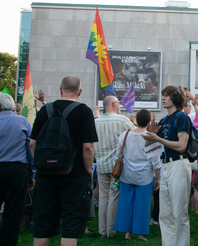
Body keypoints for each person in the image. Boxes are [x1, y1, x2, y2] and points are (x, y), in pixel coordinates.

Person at [30, 76, 98, 246]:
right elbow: (88, 147)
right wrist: (88, 170)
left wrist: (39, 165)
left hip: (45, 176)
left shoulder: (45, 110)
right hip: (74, 176)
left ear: (60, 89)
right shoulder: (84, 111)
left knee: (42, 226)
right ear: (80, 92)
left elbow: (32, 144)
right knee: (71, 226)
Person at [142, 85, 192, 246]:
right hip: (166, 166)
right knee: (164, 214)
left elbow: (181, 146)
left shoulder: (182, 117)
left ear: (176, 99)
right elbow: (149, 148)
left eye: (167, 95)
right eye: (163, 95)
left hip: (178, 164)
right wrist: (151, 135)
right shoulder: (163, 120)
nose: (163, 98)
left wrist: (158, 139)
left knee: (180, 213)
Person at [114, 109, 161, 241]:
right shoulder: (150, 137)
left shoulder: (125, 134)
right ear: (148, 122)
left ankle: (126, 233)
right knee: (143, 205)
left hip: (127, 174)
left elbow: (118, 154)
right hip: (144, 176)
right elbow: (155, 161)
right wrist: (158, 178)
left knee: (126, 204)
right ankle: (141, 234)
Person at [94, 95, 135, 238]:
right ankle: (111, 230)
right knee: (114, 197)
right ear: (113, 104)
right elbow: (137, 134)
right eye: (118, 103)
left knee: (103, 197)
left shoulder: (96, 122)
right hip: (116, 167)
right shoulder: (122, 120)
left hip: (101, 165)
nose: (120, 106)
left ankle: (102, 231)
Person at [0, 93, 35, 246]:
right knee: (13, 213)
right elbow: (29, 150)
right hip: (17, 170)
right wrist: (30, 174)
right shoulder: (23, 122)